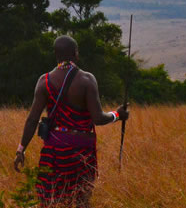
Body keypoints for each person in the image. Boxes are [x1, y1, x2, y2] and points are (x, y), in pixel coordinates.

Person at [13, 35, 129, 207]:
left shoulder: (43, 81)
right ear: (75, 54)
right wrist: (117, 115)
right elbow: (98, 118)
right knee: (81, 200)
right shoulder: (87, 80)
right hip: (82, 151)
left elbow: (32, 120)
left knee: (50, 199)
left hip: (54, 149)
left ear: (56, 54)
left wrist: (21, 149)